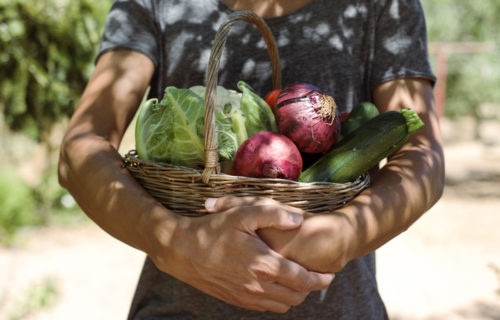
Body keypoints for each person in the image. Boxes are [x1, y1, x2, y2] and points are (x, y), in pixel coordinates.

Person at [58, 0, 445, 318]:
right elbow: (80, 148)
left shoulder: (383, 6)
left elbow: (422, 155)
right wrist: (172, 242)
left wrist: (342, 236)